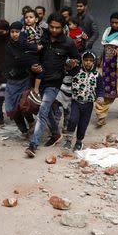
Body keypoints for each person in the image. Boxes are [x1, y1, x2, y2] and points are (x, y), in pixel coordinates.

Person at [26, 13, 79, 158]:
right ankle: (56, 134)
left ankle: (33, 145)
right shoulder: (41, 39)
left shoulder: (68, 43)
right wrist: (32, 66)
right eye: (52, 27)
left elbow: (76, 62)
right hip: (38, 80)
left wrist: (70, 66)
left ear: (63, 28)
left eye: (58, 28)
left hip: (54, 82)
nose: (54, 30)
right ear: (47, 25)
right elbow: (30, 55)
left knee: (43, 110)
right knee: (46, 110)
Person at [61, 51, 103, 151]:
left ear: (94, 62)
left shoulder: (97, 75)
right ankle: (68, 140)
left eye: (91, 60)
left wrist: (100, 97)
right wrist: (69, 63)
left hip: (88, 104)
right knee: (72, 120)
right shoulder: (76, 71)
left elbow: (100, 89)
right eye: (86, 60)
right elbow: (66, 68)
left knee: (83, 124)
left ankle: (79, 142)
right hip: (76, 102)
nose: (88, 62)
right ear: (82, 61)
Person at [3, 21, 35, 138]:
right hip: (11, 82)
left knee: (23, 106)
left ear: (21, 32)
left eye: (17, 31)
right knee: (12, 108)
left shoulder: (27, 45)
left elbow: (30, 61)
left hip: (24, 80)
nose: (14, 34)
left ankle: (31, 123)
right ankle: (24, 131)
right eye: (12, 32)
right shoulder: (8, 45)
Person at [21, 8, 46, 94]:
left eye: (31, 17)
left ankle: (34, 88)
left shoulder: (40, 30)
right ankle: (35, 89)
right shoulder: (24, 30)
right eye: (26, 17)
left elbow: (43, 41)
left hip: (38, 55)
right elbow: (23, 44)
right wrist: (35, 47)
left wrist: (42, 46)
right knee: (40, 71)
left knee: (39, 71)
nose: (28, 19)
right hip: (28, 54)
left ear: (36, 19)